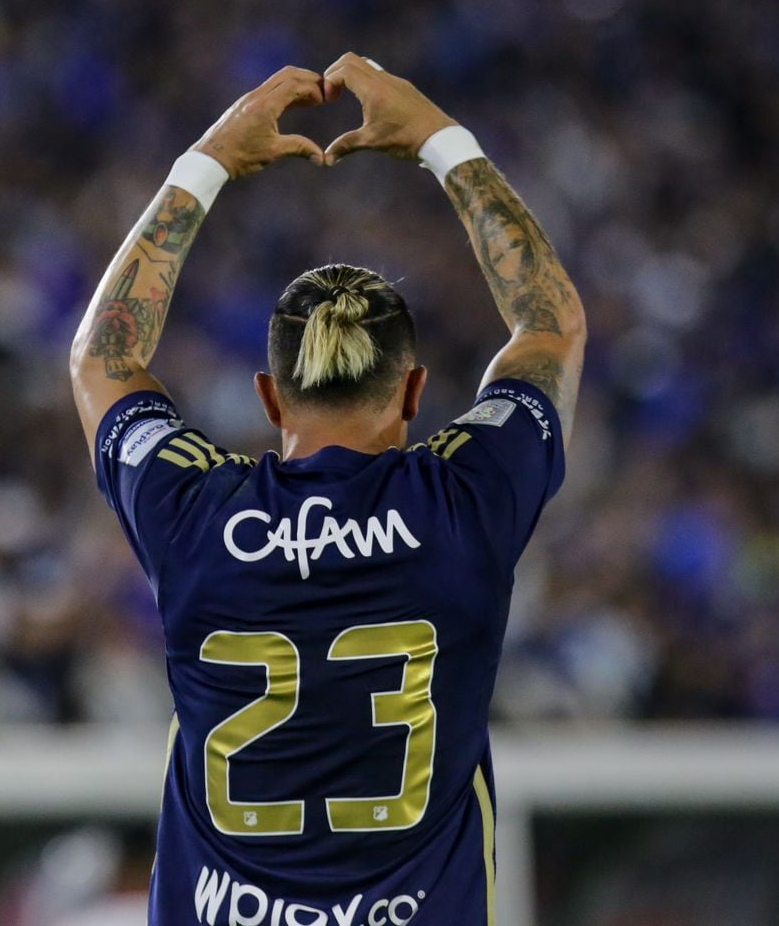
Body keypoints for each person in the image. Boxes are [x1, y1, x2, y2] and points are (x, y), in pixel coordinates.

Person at [70, 53, 586, 926]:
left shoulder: (194, 517)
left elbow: (103, 358)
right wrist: (440, 139)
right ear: (415, 392)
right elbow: (551, 324)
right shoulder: (466, 505)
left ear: (269, 397)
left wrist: (207, 162)